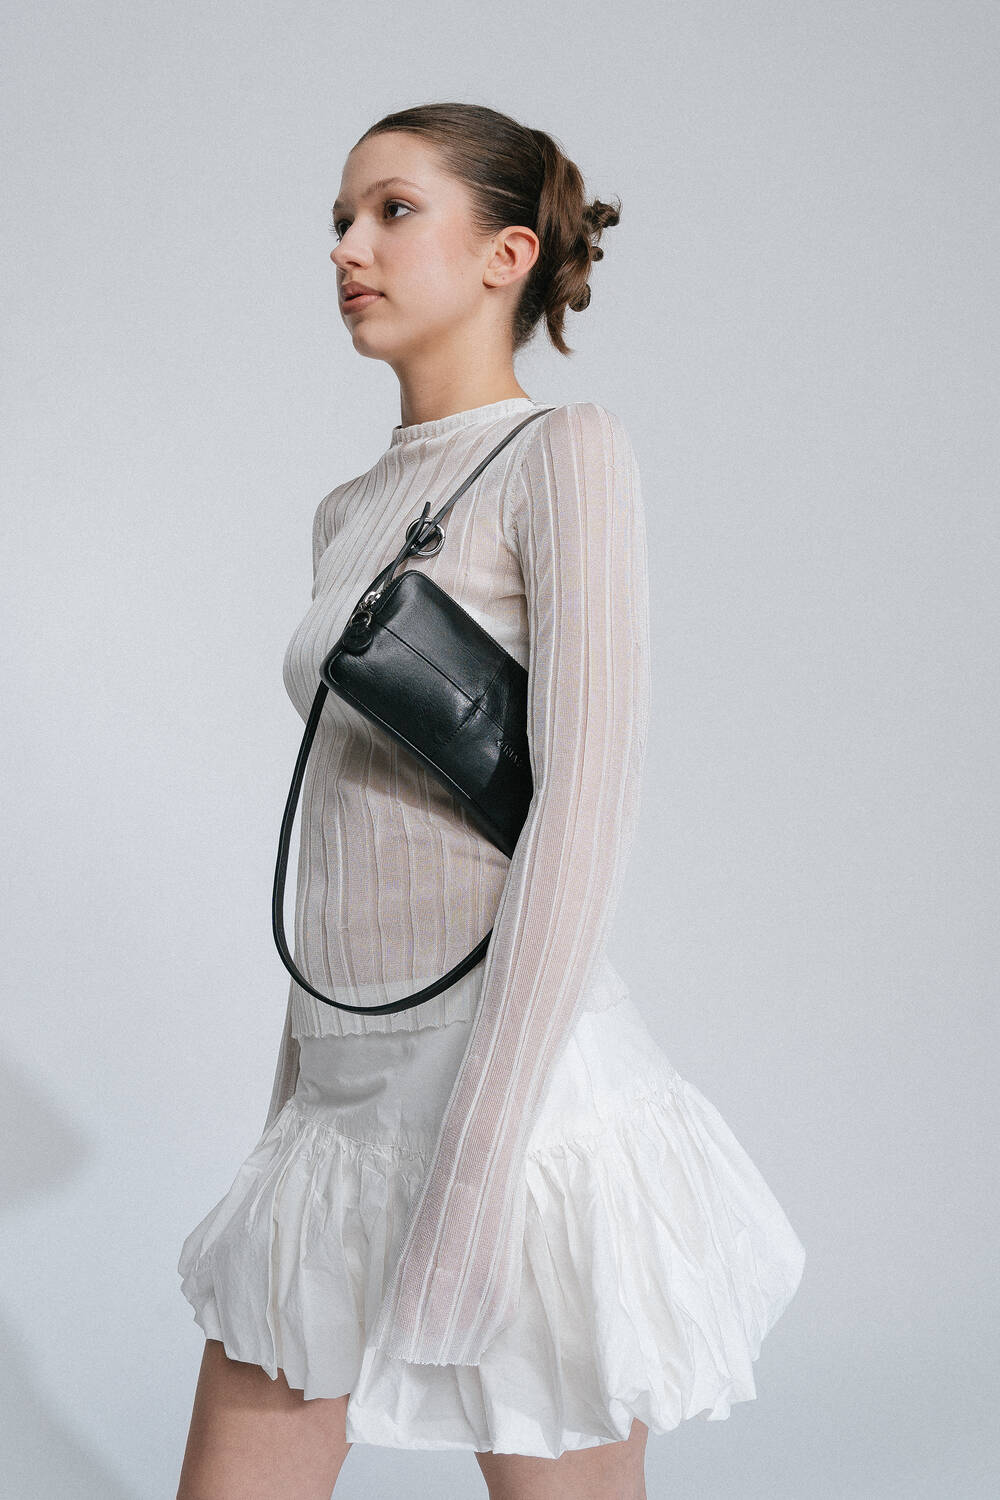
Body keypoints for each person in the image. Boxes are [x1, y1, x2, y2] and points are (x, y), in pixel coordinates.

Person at [175, 101, 806, 1500]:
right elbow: (346, 820)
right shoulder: (348, 510)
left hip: (517, 1106)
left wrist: (475, 1180)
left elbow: (585, 807)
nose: (349, 246)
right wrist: (290, 1121)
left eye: (393, 211)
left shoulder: (564, 453)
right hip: (341, 1105)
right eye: (340, 219)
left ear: (507, 252)